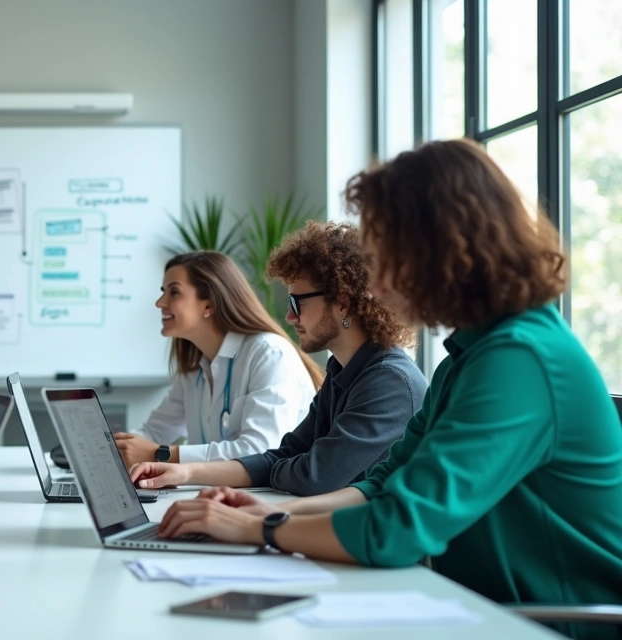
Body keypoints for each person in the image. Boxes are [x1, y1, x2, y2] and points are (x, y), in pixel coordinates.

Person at [156, 139, 622, 640]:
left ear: (440, 249)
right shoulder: (470, 357)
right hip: (481, 610)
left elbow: (397, 526)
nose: (374, 287)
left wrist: (259, 529)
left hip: (550, 624)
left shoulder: (520, 361)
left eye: (385, 259)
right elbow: (381, 484)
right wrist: (272, 511)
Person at [129, 221, 426, 496]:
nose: (288, 316)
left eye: (297, 302)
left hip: (377, 548)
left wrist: (275, 467)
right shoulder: (342, 372)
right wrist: (185, 472)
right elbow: (287, 454)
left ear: (343, 303)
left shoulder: (390, 382)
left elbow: (314, 476)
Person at [113, 251, 322, 466]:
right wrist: (105, 448)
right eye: (163, 291)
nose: (160, 302)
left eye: (174, 292)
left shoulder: (269, 354)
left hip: (271, 497)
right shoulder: (194, 370)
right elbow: (153, 432)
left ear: (209, 305)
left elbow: (261, 451)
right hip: (218, 494)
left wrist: (161, 454)